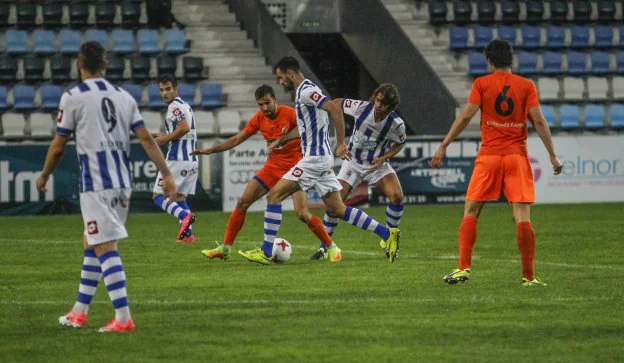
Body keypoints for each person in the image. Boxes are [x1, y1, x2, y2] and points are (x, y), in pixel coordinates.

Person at [35, 41, 177, 332]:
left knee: (104, 245)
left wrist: (45, 174)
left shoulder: (73, 97)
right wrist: (166, 173)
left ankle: (123, 318)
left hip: (97, 183)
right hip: (122, 181)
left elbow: (59, 144)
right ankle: (79, 311)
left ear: (78, 63)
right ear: (106, 64)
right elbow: (147, 139)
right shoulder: (124, 96)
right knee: (92, 241)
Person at [238, 56, 401, 265]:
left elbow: (334, 108)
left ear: (289, 74)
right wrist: (282, 140)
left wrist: (341, 143)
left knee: (273, 196)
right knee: (338, 209)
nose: (280, 82)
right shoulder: (305, 91)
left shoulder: (306, 91)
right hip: (319, 158)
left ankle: (266, 251)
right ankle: (388, 235)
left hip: (314, 159)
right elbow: (308, 127)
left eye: (280, 78)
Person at [432, 39, 563, 287]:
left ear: (490, 61)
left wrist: (445, 144)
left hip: (489, 156)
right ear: (510, 60)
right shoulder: (526, 85)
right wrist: (552, 155)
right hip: (516, 156)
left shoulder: (482, 84)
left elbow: (466, 116)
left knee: (471, 211)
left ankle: (463, 268)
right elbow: (539, 121)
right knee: (522, 215)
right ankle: (528, 277)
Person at [192, 85, 337, 260]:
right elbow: (237, 138)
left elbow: (304, 129)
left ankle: (331, 247)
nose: (265, 108)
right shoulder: (259, 119)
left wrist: (281, 140)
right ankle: (225, 248)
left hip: (296, 169)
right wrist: (212, 150)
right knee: (242, 203)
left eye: (267, 103)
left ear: (275, 99)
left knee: (302, 213)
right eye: (260, 104)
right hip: (273, 167)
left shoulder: (290, 113)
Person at [310, 84, 407, 260]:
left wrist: (384, 157)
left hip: (376, 165)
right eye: (377, 100)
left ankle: (390, 239)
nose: (378, 105)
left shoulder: (396, 124)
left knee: (397, 196)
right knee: (334, 205)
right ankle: (324, 247)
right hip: (352, 162)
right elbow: (337, 103)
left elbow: (400, 143)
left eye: (383, 103)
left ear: (391, 106)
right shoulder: (361, 107)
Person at [151, 75, 197, 243]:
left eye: (168, 89)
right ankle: (187, 235)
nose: (164, 93)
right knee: (179, 198)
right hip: (192, 159)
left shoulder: (173, 107)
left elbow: (184, 127)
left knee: (158, 196)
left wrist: (166, 138)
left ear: (175, 89)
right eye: (161, 90)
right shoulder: (185, 105)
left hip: (177, 158)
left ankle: (185, 216)